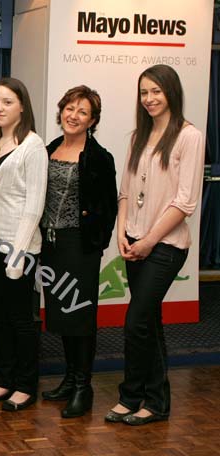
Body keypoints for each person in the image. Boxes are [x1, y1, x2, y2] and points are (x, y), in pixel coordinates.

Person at [106, 65, 204, 426]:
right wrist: (123, 233)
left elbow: (185, 202)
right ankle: (148, 401)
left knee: (136, 322)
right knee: (149, 322)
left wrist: (148, 241)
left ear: (171, 93)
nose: (149, 99)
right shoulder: (138, 137)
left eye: (156, 91)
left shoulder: (189, 136)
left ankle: (138, 396)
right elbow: (127, 192)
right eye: (144, 92)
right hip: (134, 241)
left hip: (166, 246)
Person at [39, 86, 117, 418]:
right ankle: (70, 379)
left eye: (82, 112)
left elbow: (108, 208)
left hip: (79, 247)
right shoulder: (49, 149)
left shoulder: (100, 157)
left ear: (92, 120)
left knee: (80, 315)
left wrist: (95, 244)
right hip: (50, 245)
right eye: (70, 109)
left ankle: (84, 388)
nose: (74, 116)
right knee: (61, 314)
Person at [0, 77, 48, 411]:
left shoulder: (33, 146)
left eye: (7, 102)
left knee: (20, 319)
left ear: (22, 106)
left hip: (20, 248)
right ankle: (5, 379)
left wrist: (17, 255)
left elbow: (34, 204)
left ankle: (26, 385)